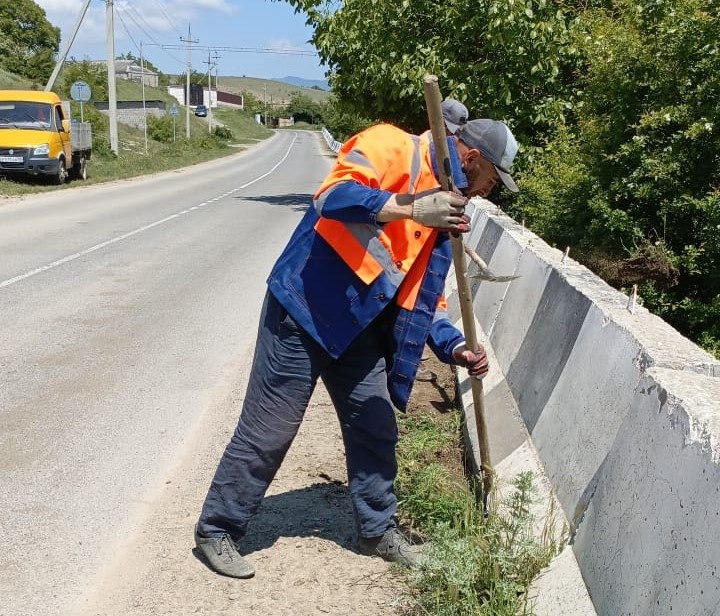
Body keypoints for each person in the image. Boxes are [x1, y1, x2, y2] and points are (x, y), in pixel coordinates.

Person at [194, 118, 520, 578]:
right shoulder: (390, 146)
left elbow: (423, 297)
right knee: (270, 427)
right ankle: (217, 529)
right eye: (491, 180)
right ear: (470, 159)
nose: (489, 192)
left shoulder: (447, 211)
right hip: (304, 308)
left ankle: (377, 530)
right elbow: (332, 198)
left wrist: (454, 349)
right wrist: (409, 208)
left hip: (358, 328)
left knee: (375, 424)